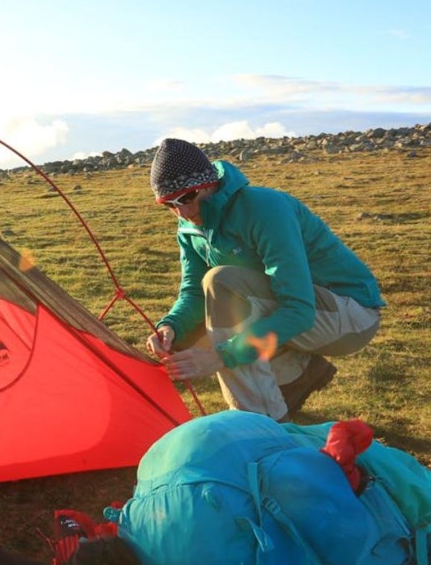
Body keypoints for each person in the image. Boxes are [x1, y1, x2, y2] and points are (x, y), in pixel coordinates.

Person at [143, 138, 385, 421]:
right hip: (305, 313)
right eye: (168, 204)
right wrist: (171, 326)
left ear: (209, 184)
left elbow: (298, 311)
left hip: (350, 316)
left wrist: (220, 356)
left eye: (186, 197)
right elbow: (193, 293)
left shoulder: (264, 208)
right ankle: (297, 373)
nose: (181, 212)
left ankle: (258, 421)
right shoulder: (189, 228)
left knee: (221, 284)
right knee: (197, 322)